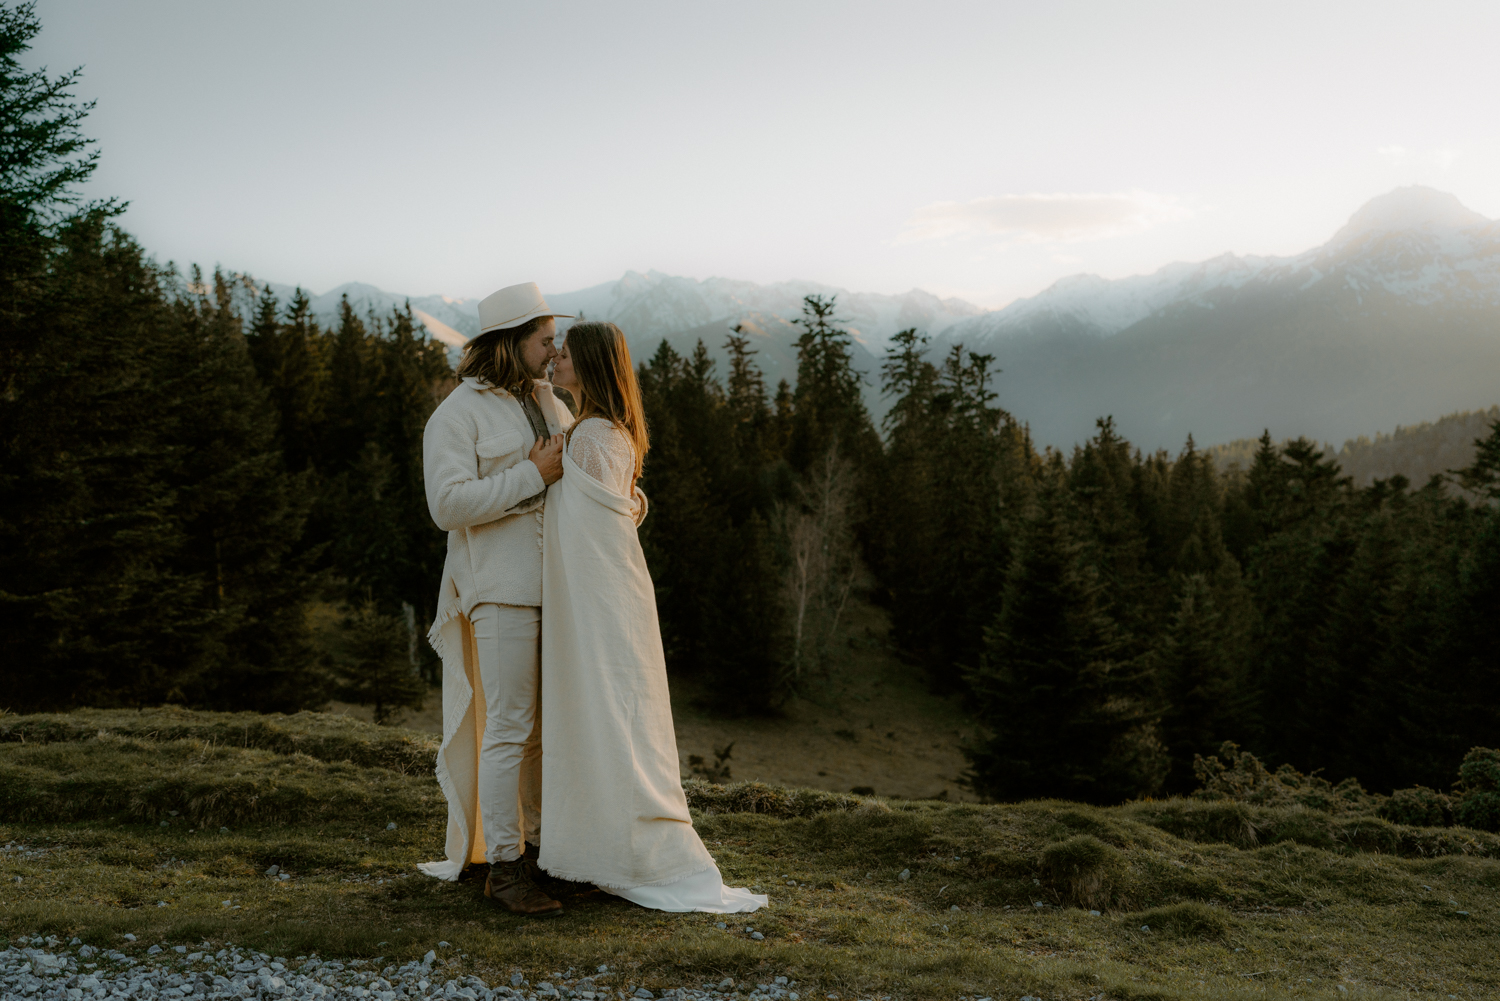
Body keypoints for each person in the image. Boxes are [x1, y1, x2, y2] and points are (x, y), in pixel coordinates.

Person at [539, 321, 767, 913]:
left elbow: (588, 532)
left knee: (603, 719)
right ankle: (609, 845)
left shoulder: (588, 437)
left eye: (564, 354)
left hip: (597, 600)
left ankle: (613, 851)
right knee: (619, 722)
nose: (555, 360)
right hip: (615, 596)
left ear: (589, 366)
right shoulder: (608, 431)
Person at [417, 281, 575, 917]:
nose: (553, 349)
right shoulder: (457, 415)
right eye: (543, 340)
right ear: (512, 343)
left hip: (558, 591)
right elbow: (446, 506)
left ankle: (540, 855)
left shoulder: (549, 401)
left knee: (540, 733)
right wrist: (529, 475)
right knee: (509, 728)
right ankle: (505, 869)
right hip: (500, 591)